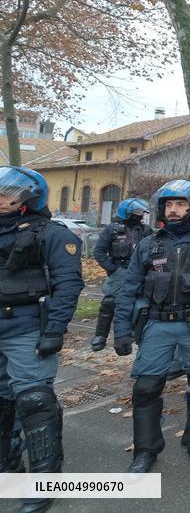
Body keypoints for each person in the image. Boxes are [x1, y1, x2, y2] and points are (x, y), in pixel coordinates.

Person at [114, 180, 190, 473]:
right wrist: (121, 330)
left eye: (180, 204)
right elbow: (129, 288)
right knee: (146, 387)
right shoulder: (148, 244)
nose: (173, 210)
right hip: (157, 324)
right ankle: (146, 450)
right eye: (169, 204)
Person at [0, 167, 83, 513]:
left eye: (8, 193)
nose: (1, 198)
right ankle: (9, 465)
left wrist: (54, 331)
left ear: (29, 198)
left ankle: (44, 484)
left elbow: (68, 285)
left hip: (27, 328)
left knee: (34, 401)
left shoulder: (50, 234)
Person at [91, 198, 151, 352]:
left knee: (139, 302)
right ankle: (100, 335)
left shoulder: (145, 230)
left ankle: (132, 332)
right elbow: (99, 251)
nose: (139, 215)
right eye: (136, 212)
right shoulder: (112, 229)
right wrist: (112, 269)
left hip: (140, 271)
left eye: (141, 212)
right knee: (109, 302)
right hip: (120, 269)